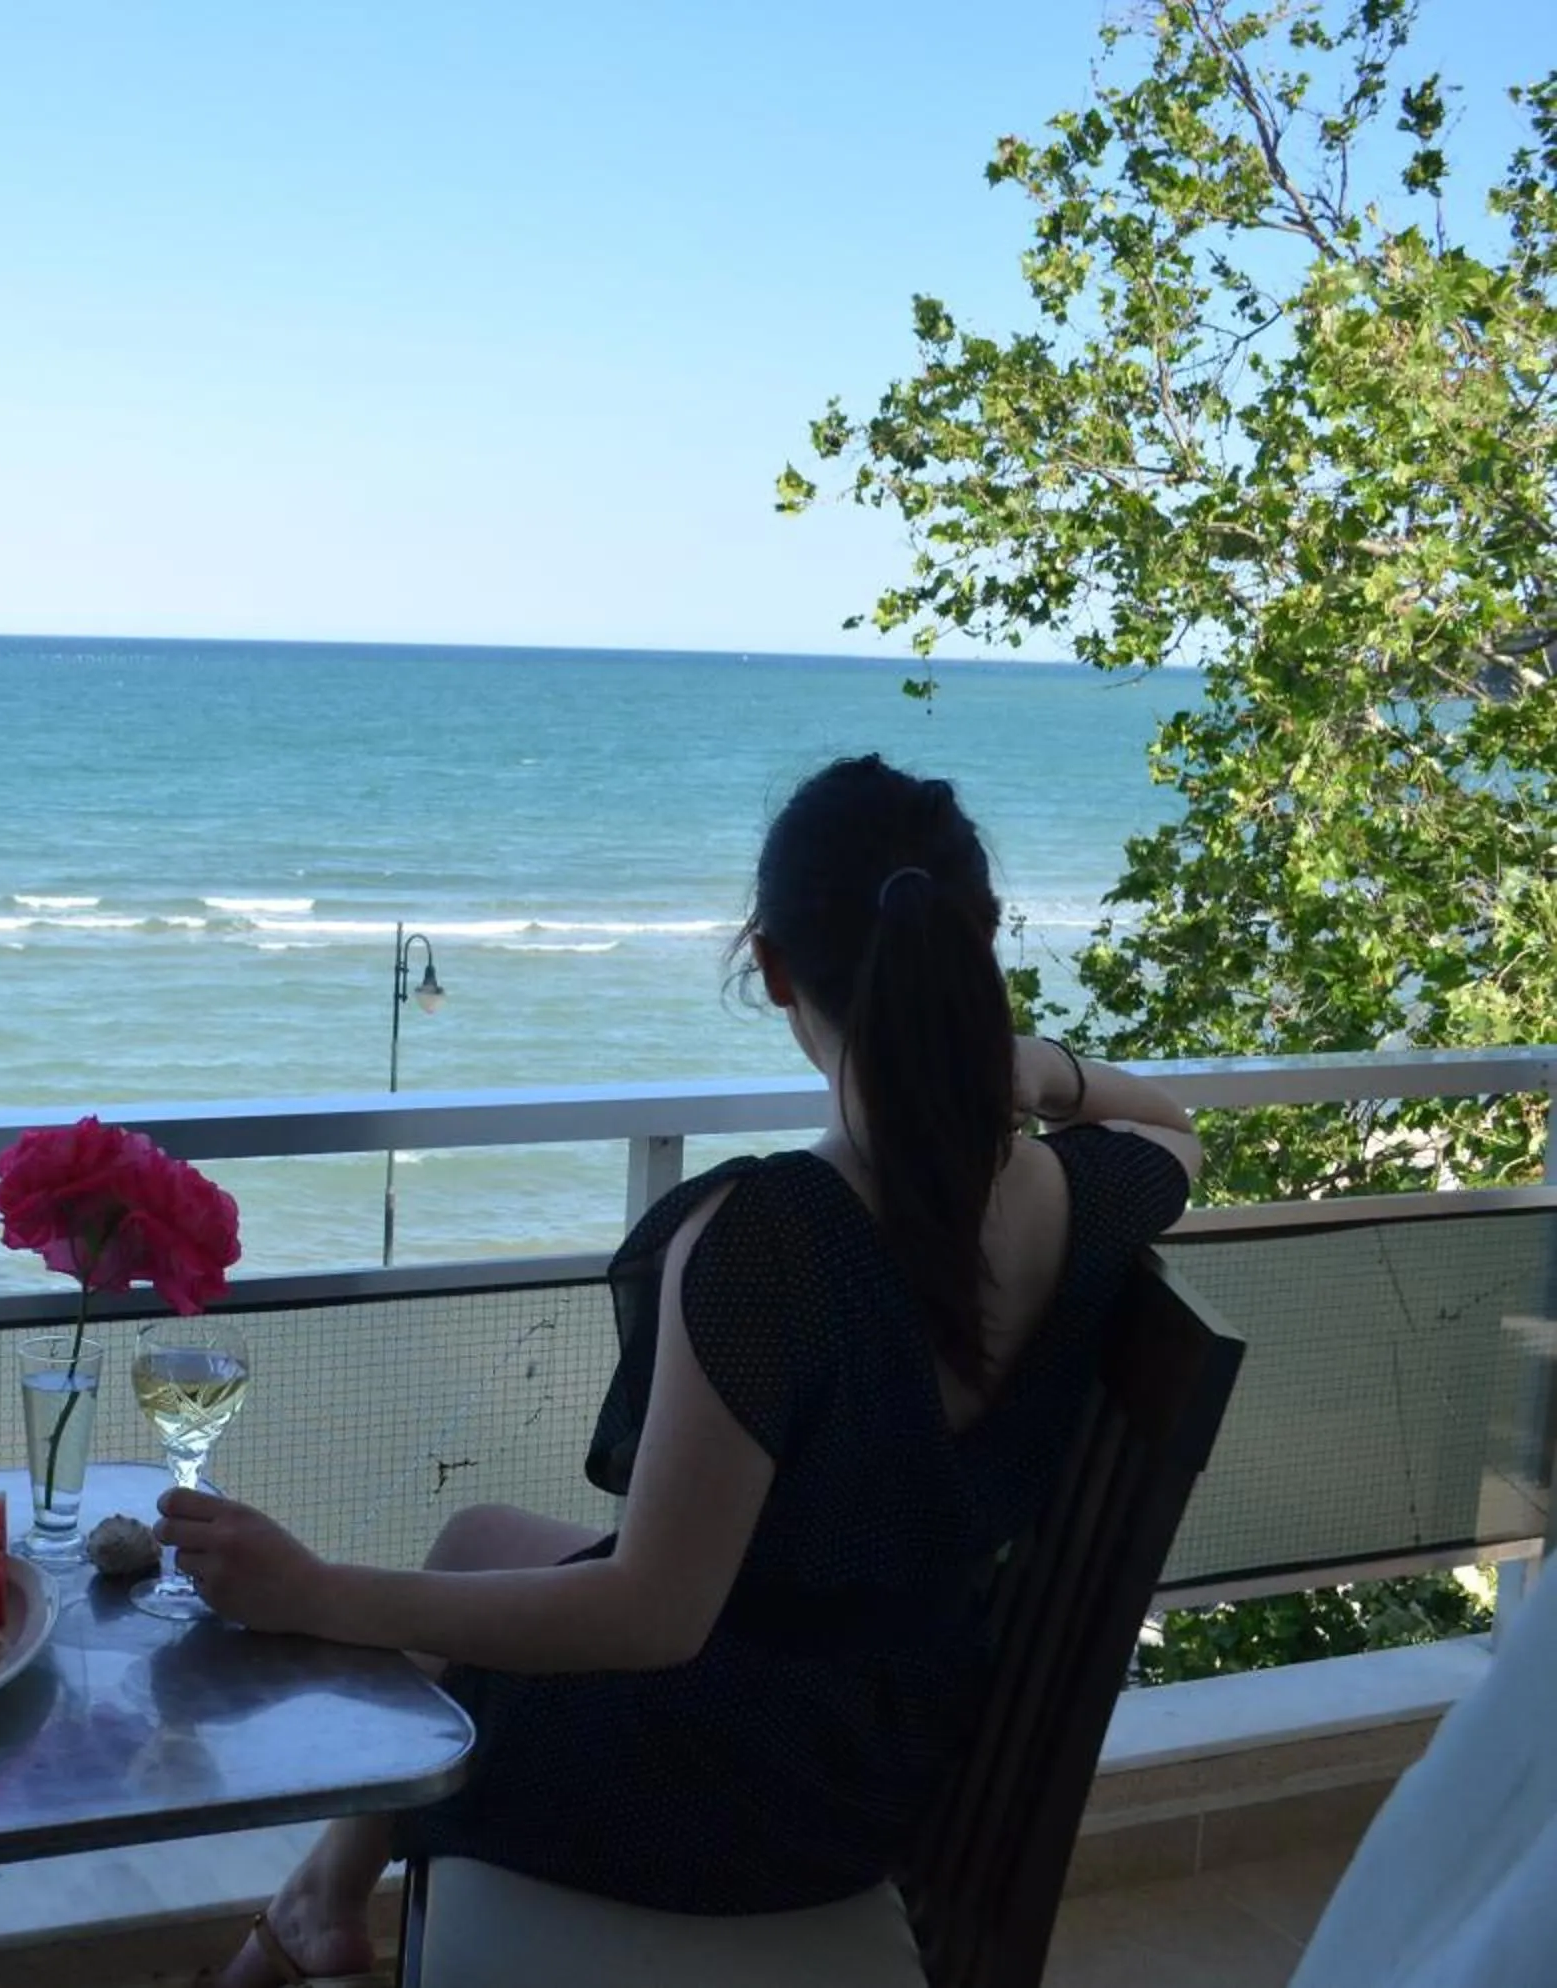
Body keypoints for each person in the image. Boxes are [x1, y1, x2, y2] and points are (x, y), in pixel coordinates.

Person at [164, 755, 1200, 1988]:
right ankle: (316, 1910)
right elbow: (1178, 1131)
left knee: (459, 1673)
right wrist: (1045, 1072)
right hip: (894, 1729)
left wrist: (315, 1589)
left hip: (740, 1790)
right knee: (480, 1536)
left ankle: (289, 1932)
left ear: (771, 970)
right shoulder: (1066, 1195)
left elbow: (652, 1613)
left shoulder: (773, 1238)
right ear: (979, 942)